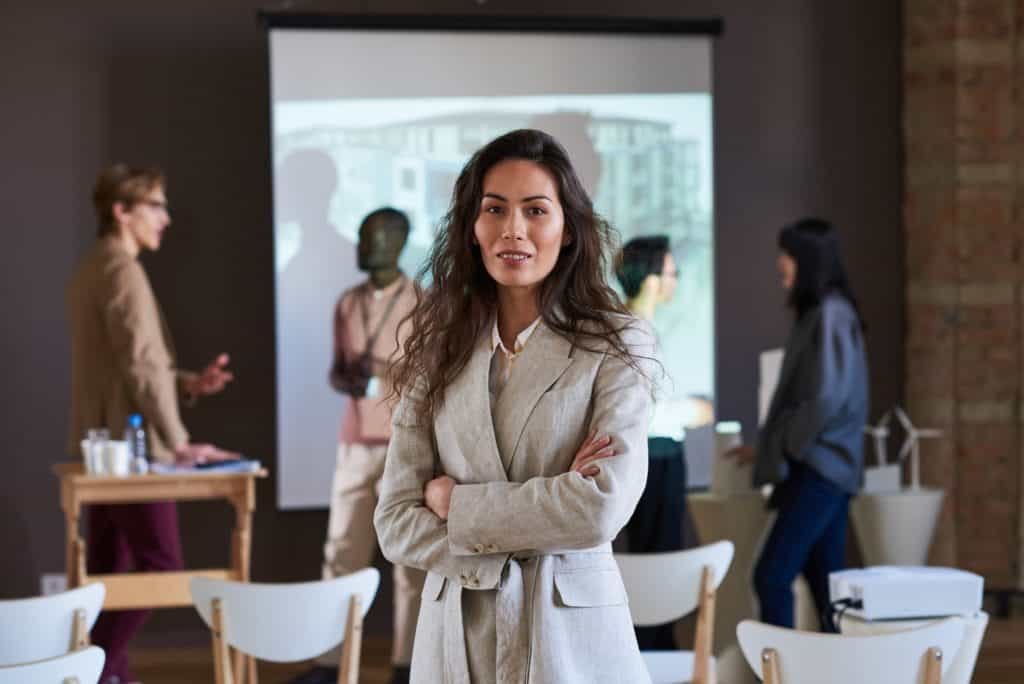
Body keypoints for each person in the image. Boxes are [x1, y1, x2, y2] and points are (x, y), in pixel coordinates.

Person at [374, 129, 658, 683]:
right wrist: (535, 522)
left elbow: (599, 506)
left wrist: (457, 503)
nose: (514, 230)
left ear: (569, 228)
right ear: (472, 229)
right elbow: (395, 523)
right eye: (494, 210)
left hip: (570, 643)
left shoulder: (617, 342)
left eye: (535, 210)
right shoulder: (435, 350)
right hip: (455, 639)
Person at [67, 164, 238, 684]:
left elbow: (132, 365)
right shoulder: (121, 270)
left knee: (108, 570)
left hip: (105, 447)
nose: (165, 218)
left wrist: (187, 384)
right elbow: (140, 365)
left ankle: (105, 671)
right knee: (160, 565)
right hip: (130, 450)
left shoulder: (94, 266)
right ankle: (97, 666)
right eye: (155, 206)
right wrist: (180, 441)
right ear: (122, 211)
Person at [288, 208, 423, 684]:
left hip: (407, 445)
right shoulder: (347, 303)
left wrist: (382, 374)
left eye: (374, 236)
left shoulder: (423, 302)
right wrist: (358, 378)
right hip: (355, 441)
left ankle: (407, 666)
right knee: (341, 552)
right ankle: (329, 664)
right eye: (362, 235)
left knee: (409, 561)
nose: (363, 245)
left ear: (399, 242)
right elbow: (337, 370)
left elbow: (430, 374)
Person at [729, 217, 869, 631]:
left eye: (787, 254)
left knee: (772, 576)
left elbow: (825, 399)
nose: (780, 263)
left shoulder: (829, 315)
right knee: (826, 589)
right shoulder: (825, 314)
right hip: (824, 467)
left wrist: (783, 445)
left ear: (807, 259)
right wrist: (769, 447)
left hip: (818, 470)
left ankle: (781, 673)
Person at [614, 234, 701, 650]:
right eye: (671, 272)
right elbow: (640, 411)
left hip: (658, 456)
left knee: (654, 558)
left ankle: (656, 649)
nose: (675, 281)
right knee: (656, 561)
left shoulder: (635, 328)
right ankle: (654, 653)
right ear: (650, 279)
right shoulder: (633, 332)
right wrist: (692, 412)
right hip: (656, 457)